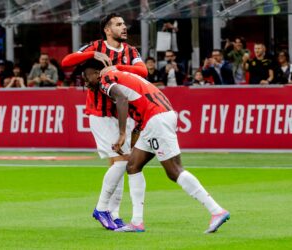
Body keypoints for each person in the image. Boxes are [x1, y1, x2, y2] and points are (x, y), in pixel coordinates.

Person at [81, 59, 230, 233]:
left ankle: (216, 211)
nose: (85, 82)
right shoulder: (124, 76)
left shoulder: (105, 79)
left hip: (156, 119)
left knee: (174, 171)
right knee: (133, 165)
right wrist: (131, 140)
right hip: (157, 117)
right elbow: (138, 108)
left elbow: (121, 99)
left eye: (86, 77)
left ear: (97, 73)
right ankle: (137, 222)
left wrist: (122, 134)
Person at [61, 13, 147, 230]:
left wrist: (116, 68)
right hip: (101, 114)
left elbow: (143, 71)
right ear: (107, 30)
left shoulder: (131, 51)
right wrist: (93, 54)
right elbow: (66, 61)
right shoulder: (96, 46)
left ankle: (114, 213)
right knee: (122, 161)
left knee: (120, 163)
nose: (124, 27)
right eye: (118, 24)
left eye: (124, 24)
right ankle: (102, 209)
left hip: (123, 113)